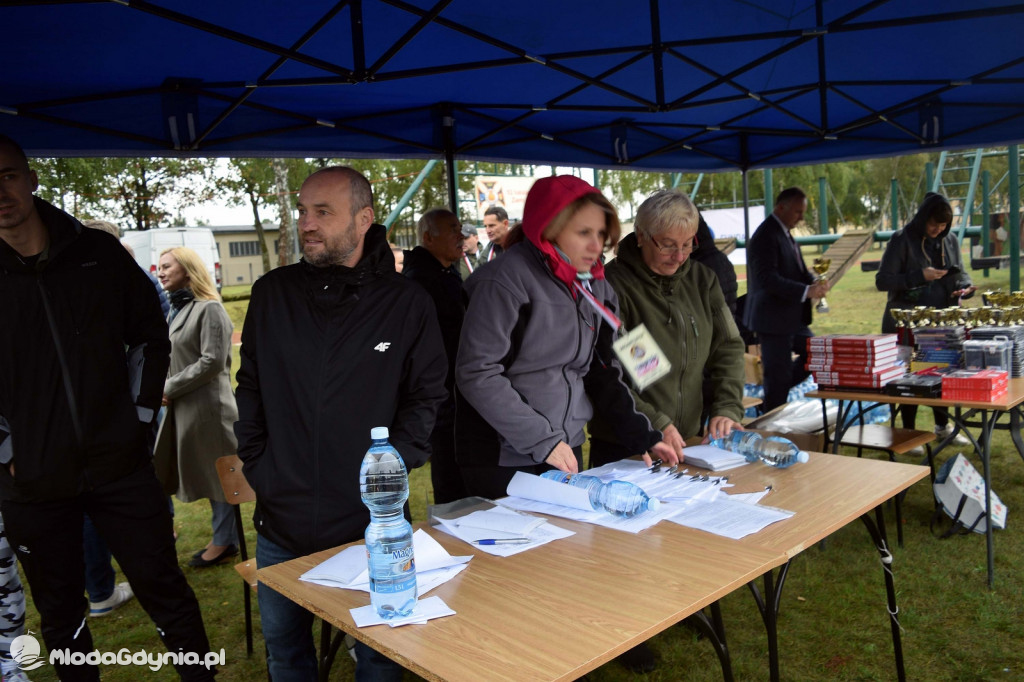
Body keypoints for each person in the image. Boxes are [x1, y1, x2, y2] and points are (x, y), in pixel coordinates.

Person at [0, 134, 215, 681]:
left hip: (119, 464)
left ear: (31, 179)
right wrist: (6, 450)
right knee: (61, 612)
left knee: (164, 588)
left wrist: (138, 420)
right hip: (31, 478)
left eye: (6, 175)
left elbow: (150, 337)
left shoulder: (95, 254)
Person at [235, 166, 447, 681]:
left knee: (380, 655)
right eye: (303, 211)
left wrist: (394, 466)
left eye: (322, 212)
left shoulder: (406, 303)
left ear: (364, 218)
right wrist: (260, 464)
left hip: (369, 525)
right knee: (286, 653)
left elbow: (427, 397)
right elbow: (251, 387)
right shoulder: (271, 293)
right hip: (280, 520)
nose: (307, 223)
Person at [455, 175, 677, 502]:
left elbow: (601, 370)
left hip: (565, 447)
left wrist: (640, 433)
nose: (595, 245)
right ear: (550, 228)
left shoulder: (594, 285)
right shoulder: (503, 281)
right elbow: (478, 372)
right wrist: (541, 440)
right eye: (583, 232)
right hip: (503, 456)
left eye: (601, 234)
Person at [589, 189, 745, 468]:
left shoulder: (703, 281)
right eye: (668, 245)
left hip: (688, 442)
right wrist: (656, 422)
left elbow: (728, 346)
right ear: (641, 236)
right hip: (627, 444)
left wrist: (726, 407)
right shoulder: (612, 286)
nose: (679, 256)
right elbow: (615, 373)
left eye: (688, 245)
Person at [153, 247, 240, 568]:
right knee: (205, 473)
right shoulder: (176, 309)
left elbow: (212, 361)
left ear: (188, 270)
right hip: (188, 408)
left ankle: (224, 541)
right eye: (158, 267)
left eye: (167, 267)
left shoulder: (209, 309)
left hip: (210, 412)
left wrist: (168, 388)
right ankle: (223, 537)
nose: (160, 272)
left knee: (219, 477)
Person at [877, 192, 975, 439]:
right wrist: (921, 276)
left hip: (940, 322)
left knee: (941, 371)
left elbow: (960, 272)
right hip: (906, 324)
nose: (937, 229)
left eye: (942, 225)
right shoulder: (901, 240)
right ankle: (907, 431)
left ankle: (943, 427)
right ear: (922, 218)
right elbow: (883, 281)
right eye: (933, 224)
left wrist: (965, 286)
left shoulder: (949, 240)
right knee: (908, 376)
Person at [743, 187, 830, 412]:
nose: (801, 218)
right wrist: (806, 291)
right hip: (772, 319)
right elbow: (767, 279)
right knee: (778, 372)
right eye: (797, 212)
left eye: (802, 213)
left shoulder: (785, 233)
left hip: (792, 318)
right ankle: (771, 409)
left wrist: (814, 282)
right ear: (781, 207)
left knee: (816, 352)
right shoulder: (765, 235)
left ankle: (771, 397)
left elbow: (798, 271)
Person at [403, 208, 469, 505]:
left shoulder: (447, 274)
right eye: (452, 229)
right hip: (442, 395)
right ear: (428, 238)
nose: (461, 235)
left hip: (459, 389)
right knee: (451, 475)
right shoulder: (420, 283)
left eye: (460, 228)